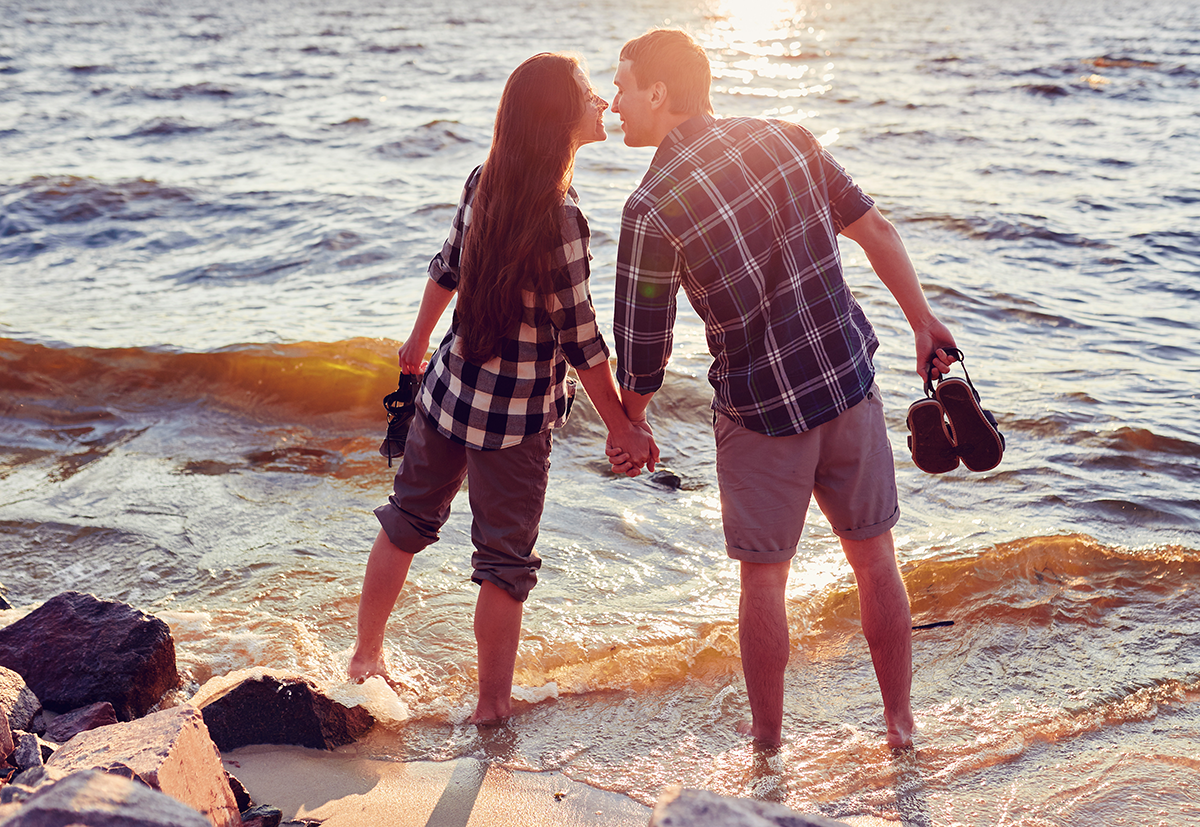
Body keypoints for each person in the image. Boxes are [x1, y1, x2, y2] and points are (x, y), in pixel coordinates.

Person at [605, 28, 958, 749]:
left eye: (622, 86)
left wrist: (631, 421)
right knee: (875, 560)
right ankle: (899, 724)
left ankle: (768, 742)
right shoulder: (787, 139)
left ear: (659, 94)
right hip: (848, 385)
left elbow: (645, 345)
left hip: (763, 414)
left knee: (764, 583)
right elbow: (876, 229)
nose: (614, 103)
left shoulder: (651, 207)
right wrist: (923, 322)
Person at [349, 53, 658, 724]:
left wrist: (417, 340)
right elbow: (581, 338)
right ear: (558, 117)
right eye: (586, 95)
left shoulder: (484, 179)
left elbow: (446, 267)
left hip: (448, 394)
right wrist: (622, 426)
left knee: (405, 522)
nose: (601, 104)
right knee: (503, 563)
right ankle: (491, 708)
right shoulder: (563, 217)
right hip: (514, 421)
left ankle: (364, 656)